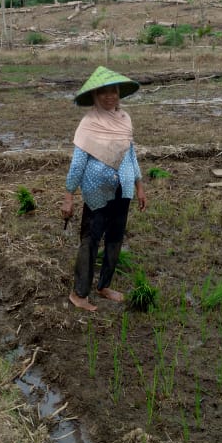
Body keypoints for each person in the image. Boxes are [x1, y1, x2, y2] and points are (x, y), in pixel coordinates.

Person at [60, 66, 148, 311]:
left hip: (124, 190)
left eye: (114, 91)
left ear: (119, 93)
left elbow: (131, 155)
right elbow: (77, 164)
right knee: (90, 240)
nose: (109, 96)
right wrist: (68, 196)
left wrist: (140, 186)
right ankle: (79, 293)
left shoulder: (125, 119)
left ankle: (104, 285)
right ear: (95, 96)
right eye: (103, 92)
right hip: (96, 193)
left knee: (115, 239)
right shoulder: (88, 123)